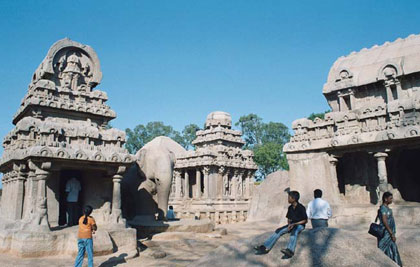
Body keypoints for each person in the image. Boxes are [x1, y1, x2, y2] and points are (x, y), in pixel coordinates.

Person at [254, 191, 308, 258]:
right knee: (278, 230)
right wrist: (289, 225)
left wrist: (294, 224)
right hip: (292, 224)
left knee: (294, 231)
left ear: (293, 199)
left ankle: (290, 250)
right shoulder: (290, 208)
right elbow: (289, 218)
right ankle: (265, 247)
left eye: (289, 198)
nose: (288, 199)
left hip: (299, 225)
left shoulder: (301, 207)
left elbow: (305, 220)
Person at [377, 192, 402, 266]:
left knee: (392, 249)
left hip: (389, 232)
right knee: (383, 249)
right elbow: (385, 222)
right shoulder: (383, 209)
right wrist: (391, 234)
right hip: (386, 233)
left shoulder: (387, 208)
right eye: (390, 198)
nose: (392, 200)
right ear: (385, 199)